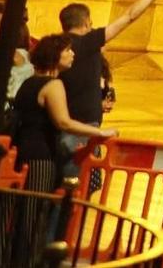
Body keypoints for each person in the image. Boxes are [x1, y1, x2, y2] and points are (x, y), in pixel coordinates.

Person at [6, 33, 115, 256]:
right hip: (40, 156)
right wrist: (100, 132)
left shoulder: (29, 82)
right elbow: (63, 121)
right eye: (67, 50)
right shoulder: (53, 84)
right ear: (55, 55)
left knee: (20, 214)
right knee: (33, 217)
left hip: (22, 152)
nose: (72, 54)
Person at [59, 0, 163, 157]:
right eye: (91, 23)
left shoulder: (54, 45)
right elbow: (130, 16)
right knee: (80, 180)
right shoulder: (90, 41)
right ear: (85, 23)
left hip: (60, 122)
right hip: (83, 129)